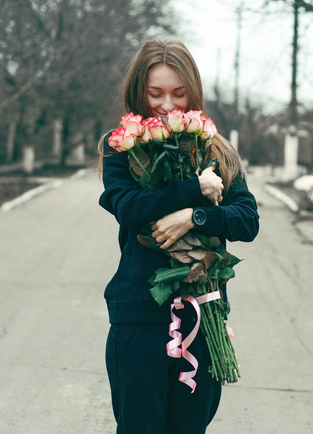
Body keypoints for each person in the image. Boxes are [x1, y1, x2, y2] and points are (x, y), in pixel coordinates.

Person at [98, 38, 259, 434]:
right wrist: (193, 190)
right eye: (156, 94)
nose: (168, 105)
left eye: (178, 93)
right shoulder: (123, 149)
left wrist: (194, 216)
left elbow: (246, 220)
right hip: (138, 315)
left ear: (193, 92)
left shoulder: (215, 151)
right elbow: (129, 207)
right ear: (140, 92)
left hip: (203, 317)